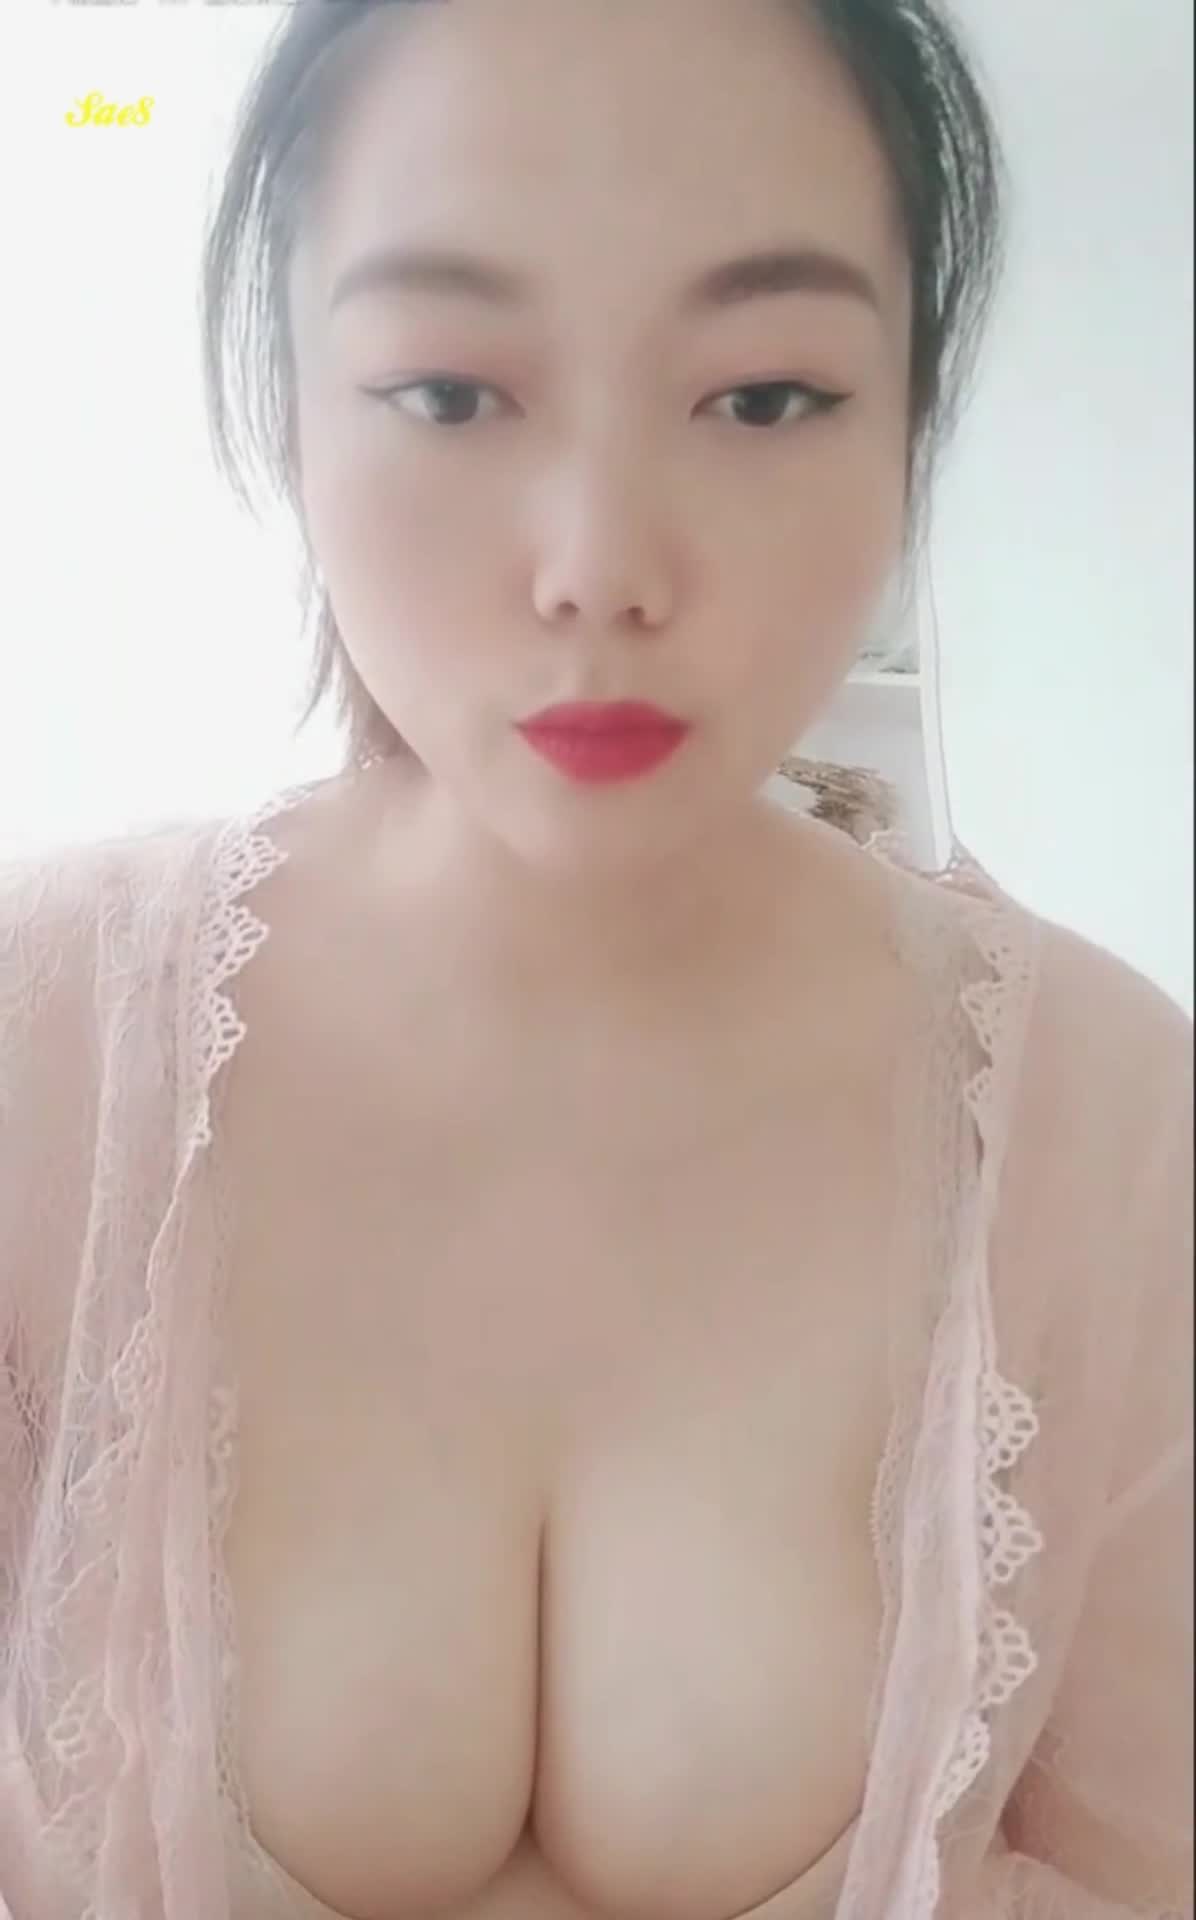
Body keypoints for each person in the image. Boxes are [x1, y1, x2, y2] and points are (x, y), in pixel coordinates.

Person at [1, 0, 1191, 1915]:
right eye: (451, 392)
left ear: (908, 424)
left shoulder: (1112, 1129)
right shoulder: (37, 1046)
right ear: (290, 404)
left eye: (764, 398)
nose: (601, 565)